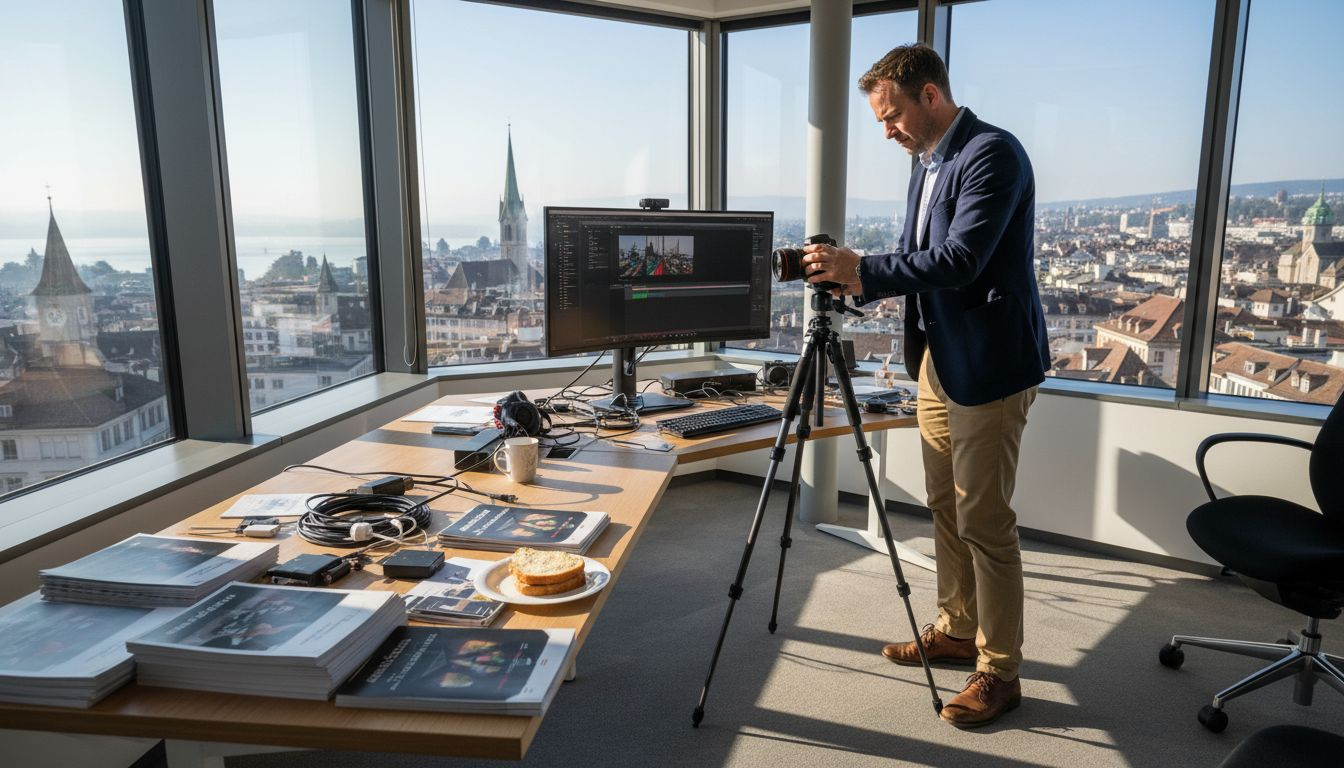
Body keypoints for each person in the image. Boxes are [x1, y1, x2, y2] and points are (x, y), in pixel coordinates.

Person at [801, 43, 1049, 729]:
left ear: (930, 96)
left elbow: (962, 260)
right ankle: (957, 626)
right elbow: (918, 259)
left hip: (990, 362)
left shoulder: (993, 154)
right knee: (944, 503)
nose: (887, 132)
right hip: (938, 358)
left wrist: (867, 267)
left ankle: (999, 671)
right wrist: (855, 279)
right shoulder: (928, 162)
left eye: (891, 117)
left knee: (986, 522)